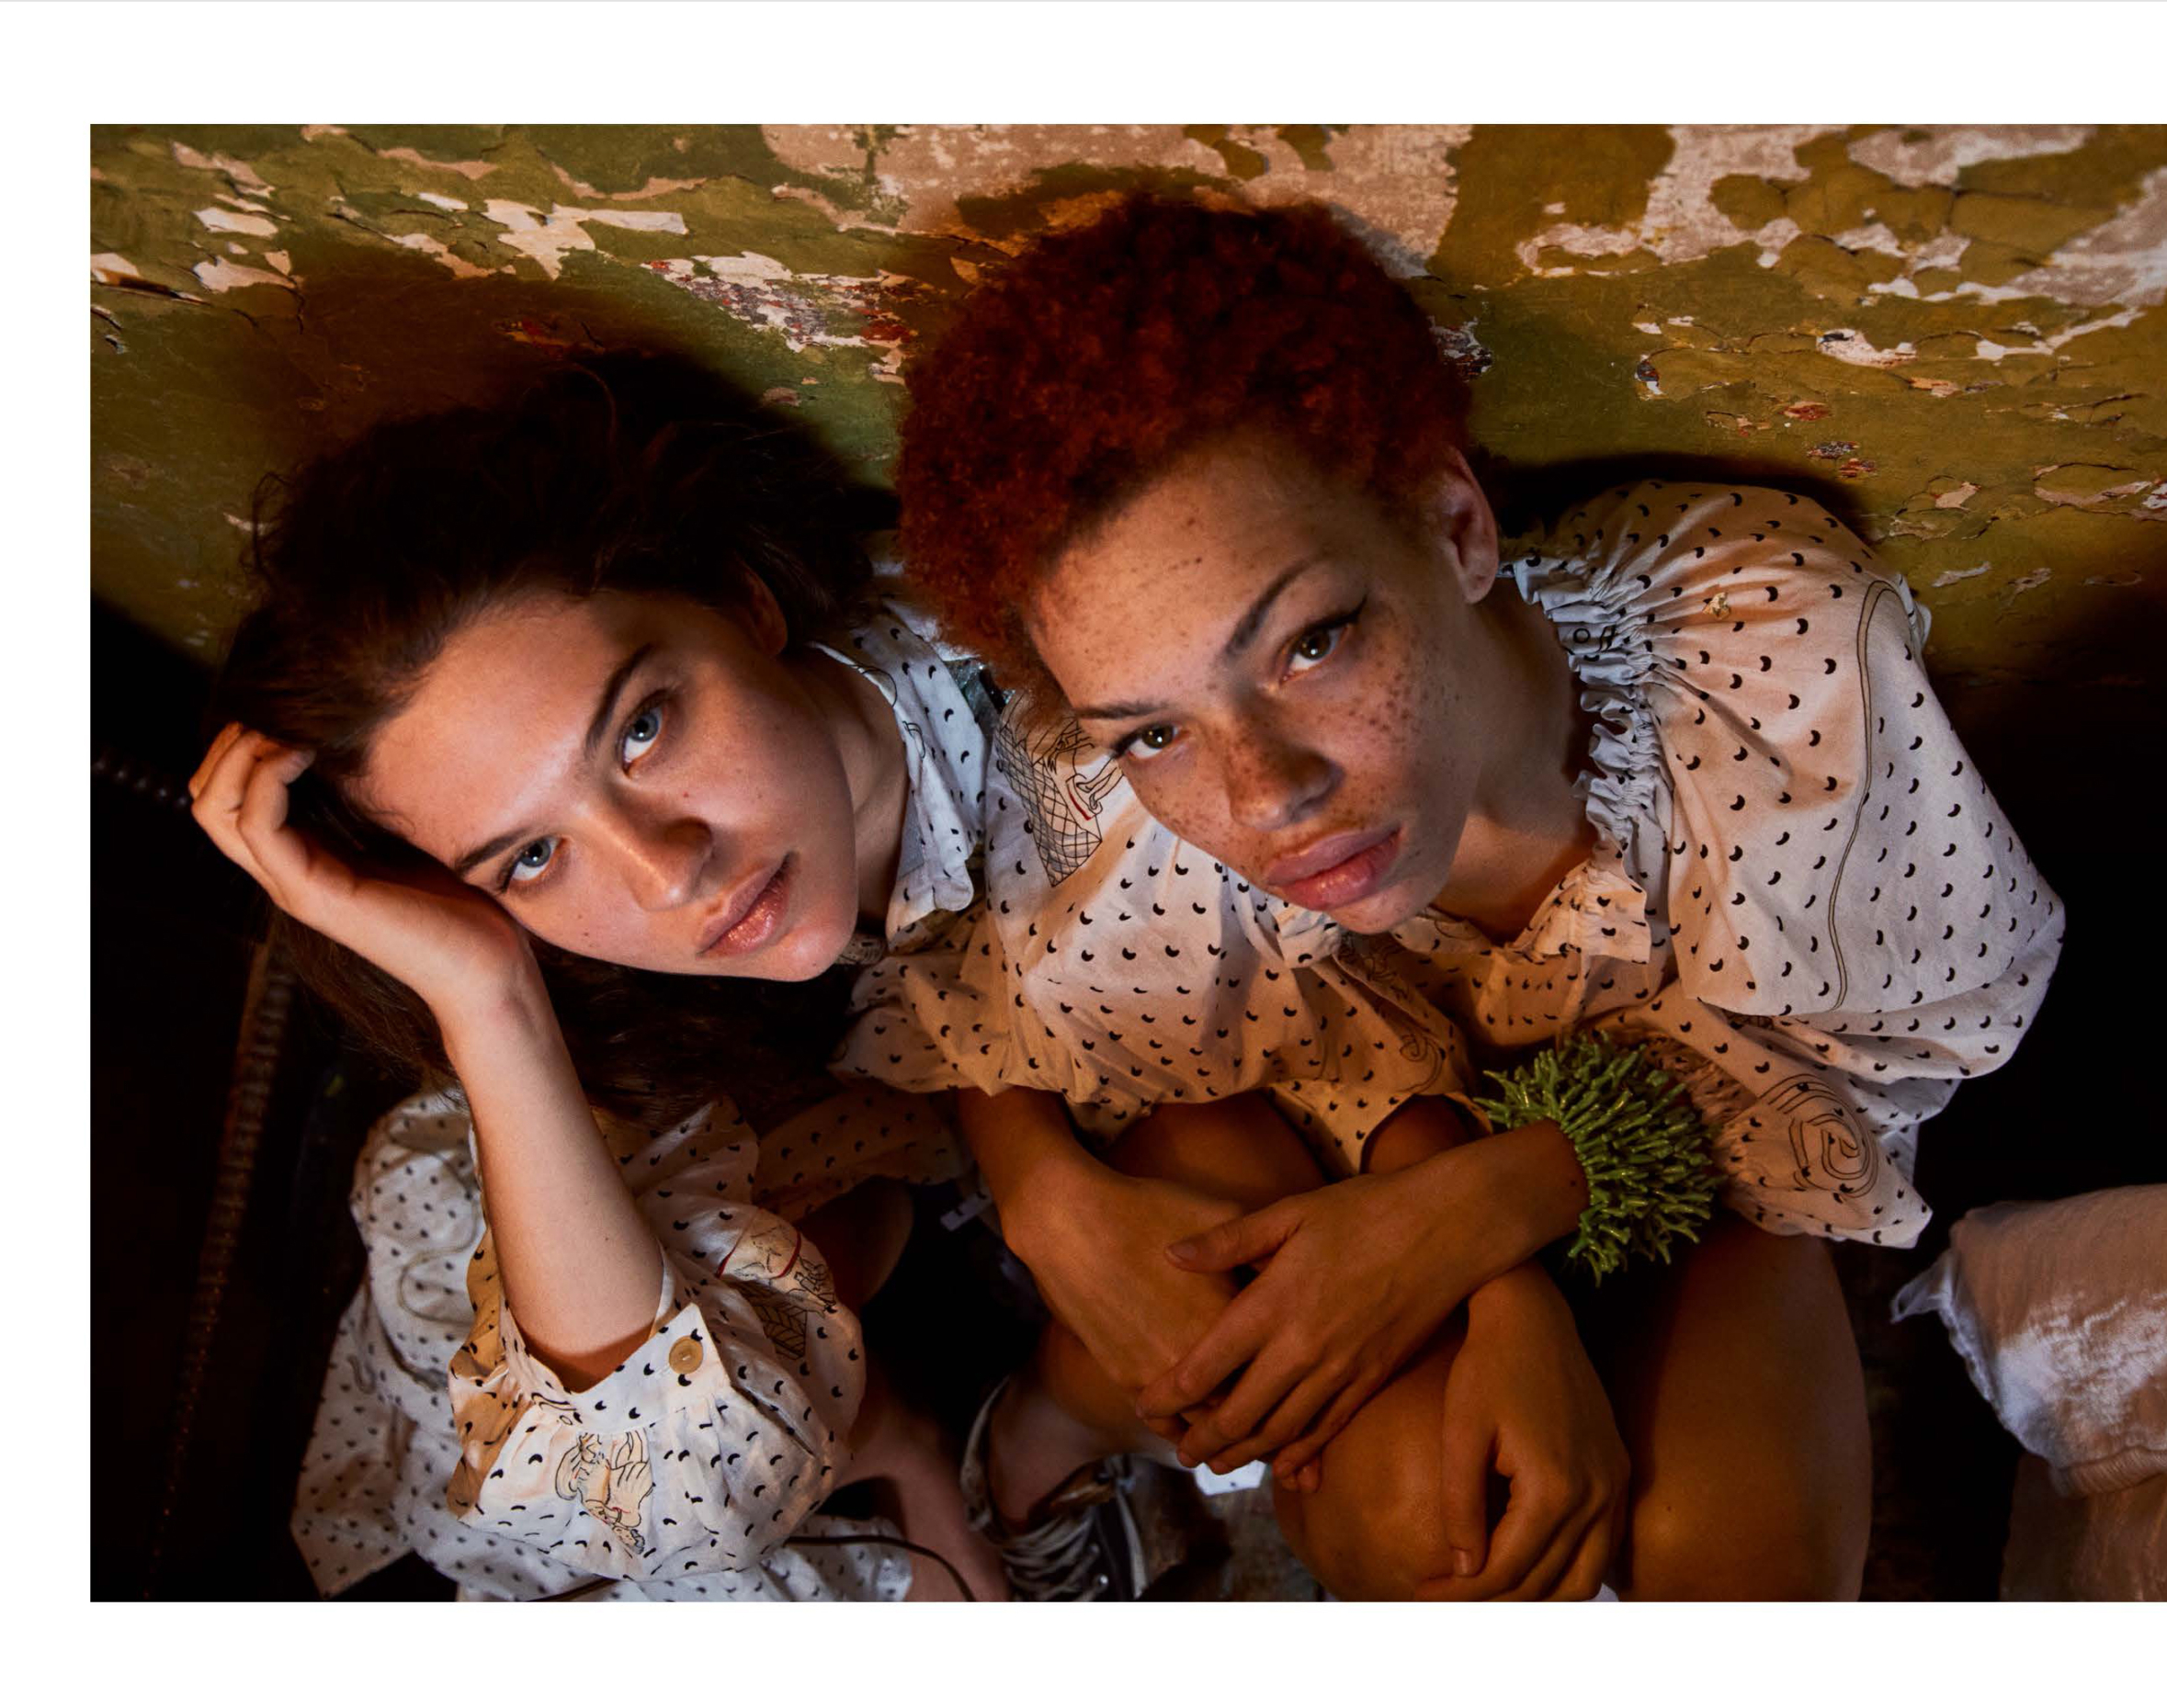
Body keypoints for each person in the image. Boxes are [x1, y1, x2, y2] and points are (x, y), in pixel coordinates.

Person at [884, 193, 2066, 1600]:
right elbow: (979, 1005)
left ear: (1454, 528)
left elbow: (1863, 1063)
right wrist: (1045, 1204)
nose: (1266, 796)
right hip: (1321, 1152)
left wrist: (1496, 1203)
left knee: (1735, 1573)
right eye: (1153, 729)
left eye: (1312, 644)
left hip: (1705, 1168)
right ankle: (1053, 1425)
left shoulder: (1762, 651)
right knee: (1436, 1529)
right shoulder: (1131, 823)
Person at [191, 354, 1011, 1601]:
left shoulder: (1059, 708)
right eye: (531, 856)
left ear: (741, 599)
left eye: (642, 729)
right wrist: (489, 1001)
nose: (667, 874)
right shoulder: (615, 1008)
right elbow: (673, 1507)